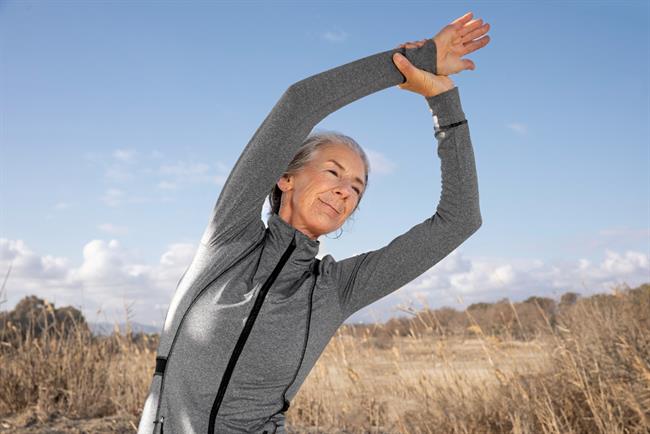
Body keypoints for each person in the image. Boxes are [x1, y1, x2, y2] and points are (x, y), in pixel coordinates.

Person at [137, 11, 489, 434]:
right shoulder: (228, 240)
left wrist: (444, 102)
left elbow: (460, 219)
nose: (345, 191)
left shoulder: (336, 290)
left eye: (357, 187)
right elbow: (300, 102)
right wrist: (418, 61)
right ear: (285, 178)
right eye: (334, 172)